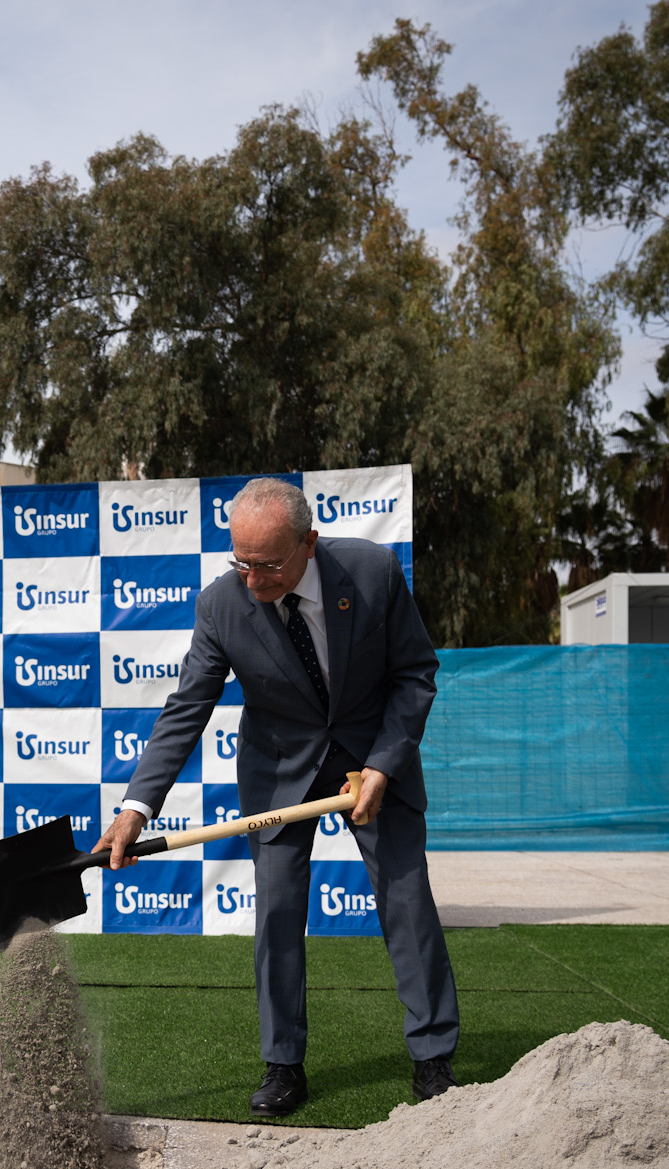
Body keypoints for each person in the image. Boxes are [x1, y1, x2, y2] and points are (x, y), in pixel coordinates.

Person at [96, 477, 458, 1116]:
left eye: (266, 565)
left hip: (373, 755)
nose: (252, 578)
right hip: (280, 765)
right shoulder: (222, 605)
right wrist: (136, 807)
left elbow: (415, 672)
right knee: (279, 913)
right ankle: (283, 1065)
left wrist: (383, 763)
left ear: (308, 545)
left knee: (407, 900)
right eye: (240, 561)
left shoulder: (371, 573)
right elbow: (188, 709)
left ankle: (433, 1056)